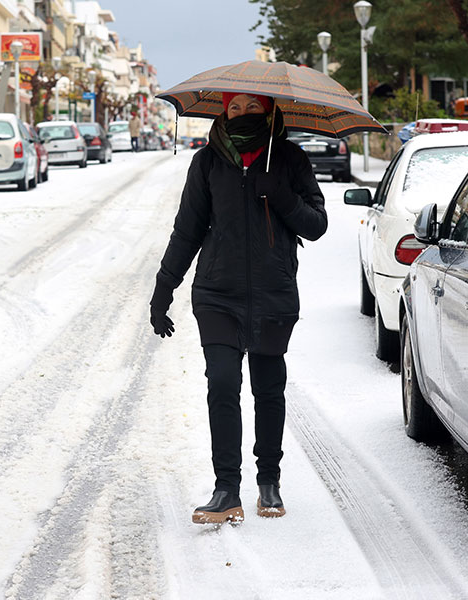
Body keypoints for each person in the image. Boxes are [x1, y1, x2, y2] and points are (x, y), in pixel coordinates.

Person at [150, 92, 327, 524]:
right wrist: (163, 289)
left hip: (273, 292)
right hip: (217, 293)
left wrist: (282, 196)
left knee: (268, 388)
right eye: (234, 107)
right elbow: (187, 230)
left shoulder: (289, 159)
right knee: (222, 384)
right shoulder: (207, 162)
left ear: (269, 111)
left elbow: (317, 225)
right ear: (222, 113)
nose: (243, 114)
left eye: (252, 107)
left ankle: (269, 481)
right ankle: (226, 488)